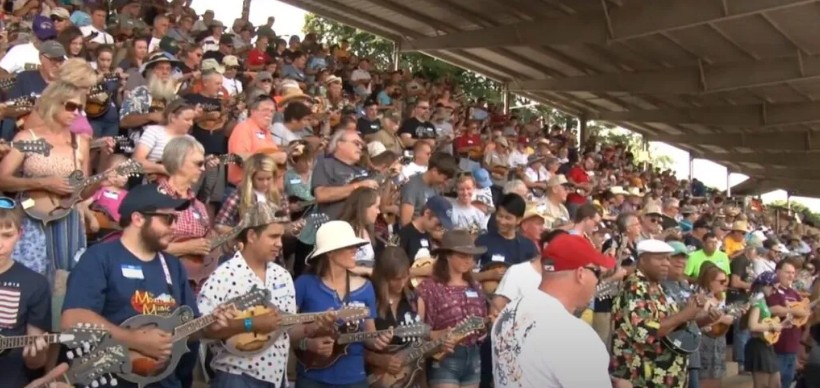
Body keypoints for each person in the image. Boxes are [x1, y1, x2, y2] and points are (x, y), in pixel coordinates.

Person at [61, 183, 234, 388]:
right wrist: (133, 339)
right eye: (168, 219)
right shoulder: (99, 258)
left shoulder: (172, 265)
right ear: (138, 218)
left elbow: (188, 328)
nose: (174, 227)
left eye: (176, 219)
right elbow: (72, 320)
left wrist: (209, 328)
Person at [198, 201, 329, 387]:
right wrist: (251, 323)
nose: (279, 244)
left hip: (276, 378)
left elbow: (286, 329)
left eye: (281, 237)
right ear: (251, 236)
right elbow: (203, 329)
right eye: (273, 237)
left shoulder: (282, 276)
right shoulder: (224, 275)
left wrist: (311, 328)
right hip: (235, 377)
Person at [492, 233, 616, 387]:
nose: (598, 280)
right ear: (581, 274)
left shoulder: (508, 312)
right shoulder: (576, 336)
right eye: (597, 273)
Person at [294, 221, 393, 387]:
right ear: (331, 253)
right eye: (349, 247)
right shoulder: (304, 284)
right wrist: (308, 344)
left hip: (353, 377)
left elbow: (369, 336)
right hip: (312, 376)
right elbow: (286, 333)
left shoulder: (366, 287)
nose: (355, 250)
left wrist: (378, 341)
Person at [610, 239, 708, 387]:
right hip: (644, 378)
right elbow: (646, 331)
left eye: (668, 258)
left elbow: (672, 327)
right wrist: (684, 314)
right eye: (660, 259)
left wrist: (696, 313)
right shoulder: (635, 288)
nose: (666, 263)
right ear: (642, 260)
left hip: (665, 377)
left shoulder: (655, 286)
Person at [416, 229, 489, 388]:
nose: (468, 260)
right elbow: (418, 328)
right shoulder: (429, 288)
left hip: (473, 354)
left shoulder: (475, 286)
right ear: (448, 256)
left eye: (471, 256)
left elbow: (482, 323)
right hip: (444, 357)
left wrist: (487, 324)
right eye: (463, 256)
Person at [0, 197, 51, 387]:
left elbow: (35, 363)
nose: (0, 244)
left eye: (7, 235)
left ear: (20, 234)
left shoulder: (35, 284)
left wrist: (37, 354)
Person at [767, 258, 811, 388]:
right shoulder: (772, 290)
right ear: (778, 272)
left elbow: (805, 312)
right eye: (787, 272)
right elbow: (775, 310)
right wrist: (795, 310)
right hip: (777, 346)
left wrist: (796, 311)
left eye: (793, 273)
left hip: (793, 346)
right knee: (775, 384)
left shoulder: (794, 293)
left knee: (787, 381)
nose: (791, 275)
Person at [744, 271, 787, 388]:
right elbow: (752, 325)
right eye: (773, 289)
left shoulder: (762, 301)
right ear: (766, 285)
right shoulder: (757, 301)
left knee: (776, 384)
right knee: (762, 385)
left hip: (766, 344)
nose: (774, 292)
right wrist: (772, 326)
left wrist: (782, 324)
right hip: (758, 345)